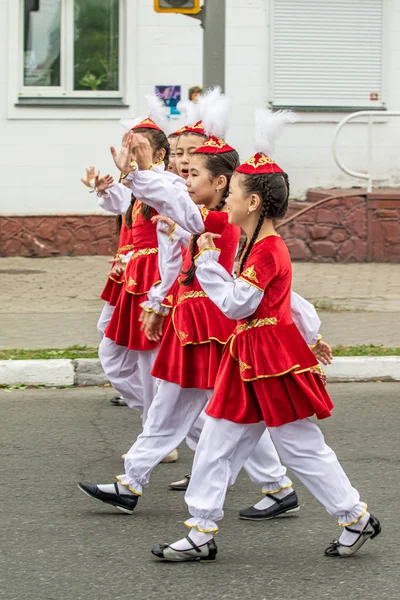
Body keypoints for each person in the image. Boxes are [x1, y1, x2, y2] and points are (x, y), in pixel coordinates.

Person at [78, 90, 330, 522]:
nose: (183, 176)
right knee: (200, 409)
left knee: (208, 411)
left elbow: (275, 294)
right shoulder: (203, 218)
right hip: (194, 322)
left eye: (192, 171)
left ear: (223, 186)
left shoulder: (212, 220)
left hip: (212, 326)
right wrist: (159, 301)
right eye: (181, 166)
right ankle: (267, 486)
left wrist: (142, 172)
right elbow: (176, 247)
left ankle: (143, 487)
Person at [150, 109, 381, 562]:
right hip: (253, 357)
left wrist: (208, 264)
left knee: (299, 446)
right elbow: (287, 301)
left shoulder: (267, 250)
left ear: (253, 203)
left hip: (268, 360)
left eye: (233, 192)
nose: (227, 200)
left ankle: (353, 515)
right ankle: (201, 529)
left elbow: (241, 304)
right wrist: (311, 334)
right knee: (219, 441)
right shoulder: (256, 245)